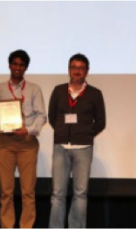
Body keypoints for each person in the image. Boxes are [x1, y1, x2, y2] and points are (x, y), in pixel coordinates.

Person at [48, 53, 106, 229]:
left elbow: (101, 122)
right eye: (74, 67)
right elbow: (52, 117)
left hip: (83, 148)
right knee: (58, 194)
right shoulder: (58, 90)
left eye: (81, 68)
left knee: (80, 194)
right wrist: (61, 132)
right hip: (61, 147)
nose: (77, 71)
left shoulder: (95, 94)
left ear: (87, 71)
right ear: (69, 70)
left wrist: (86, 134)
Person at [0, 50, 47, 229]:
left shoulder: (34, 89)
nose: (17, 67)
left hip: (27, 145)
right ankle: (7, 226)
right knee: (6, 191)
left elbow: (41, 116)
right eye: (14, 64)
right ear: (9, 65)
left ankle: (26, 227)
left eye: (21, 65)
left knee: (28, 191)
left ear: (26, 68)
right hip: (5, 143)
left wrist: (29, 130)